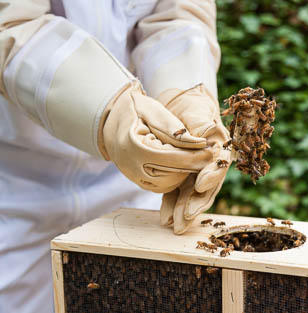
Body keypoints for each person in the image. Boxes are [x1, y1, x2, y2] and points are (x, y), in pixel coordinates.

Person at [0, 1, 231, 312]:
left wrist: (186, 94)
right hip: (14, 183)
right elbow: (13, 23)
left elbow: (177, 14)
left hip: (135, 184)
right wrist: (110, 109)